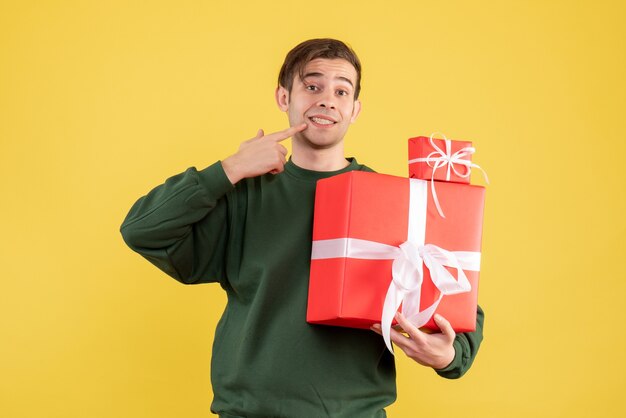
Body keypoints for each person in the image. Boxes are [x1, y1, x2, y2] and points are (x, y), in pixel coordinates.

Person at [120, 38, 484, 418]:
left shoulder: (393, 200)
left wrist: (449, 356)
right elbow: (142, 230)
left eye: (341, 90)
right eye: (313, 86)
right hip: (248, 412)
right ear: (283, 97)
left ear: (354, 109)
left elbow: (459, 293)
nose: (327, 99)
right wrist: (229, 169)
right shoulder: (242, 194)